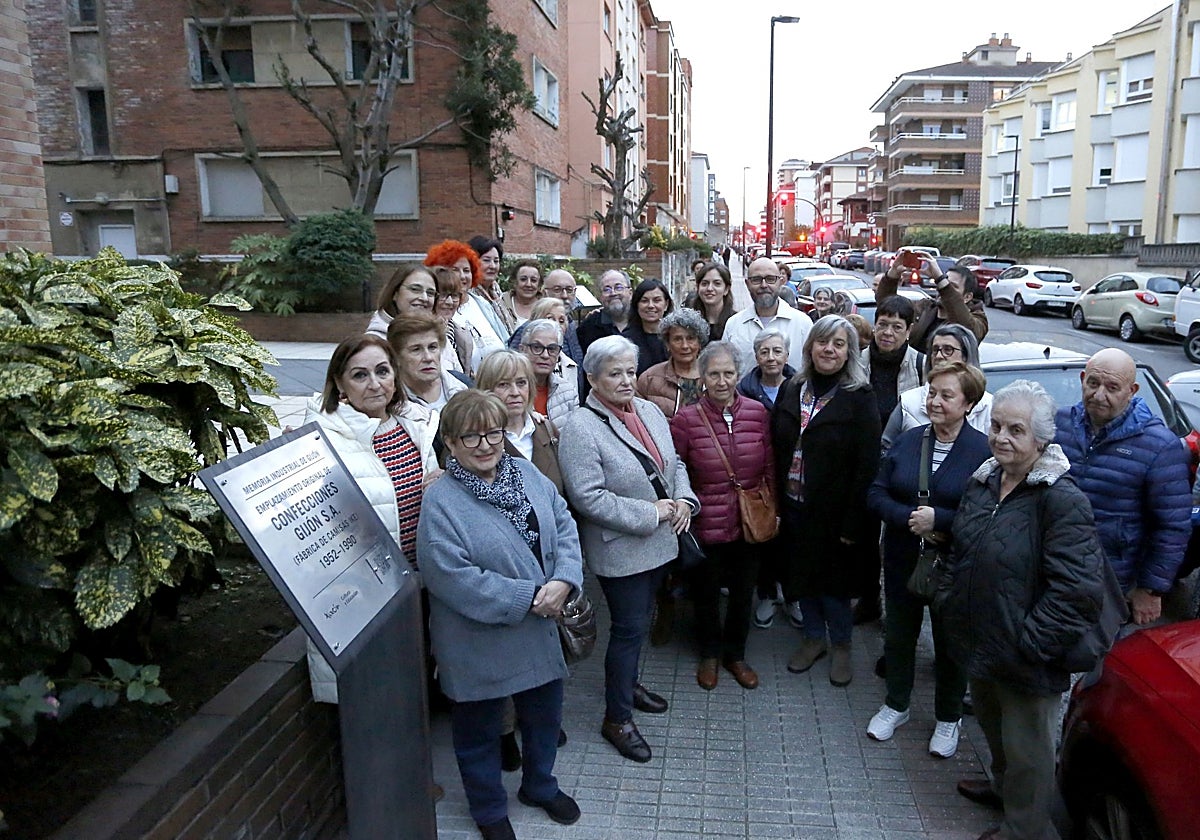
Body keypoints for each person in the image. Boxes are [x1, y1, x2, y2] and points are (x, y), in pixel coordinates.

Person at [941, 380, 1105, 840]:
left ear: (1040, 440)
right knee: (996, 732)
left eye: (1015, 430)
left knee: (1029, 751)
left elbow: (1078, 590)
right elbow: (961, 548)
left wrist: (1031, 643)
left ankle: (1025, 828)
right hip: (982, 639)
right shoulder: (985, 480)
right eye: (995, 426)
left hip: (1026, 653)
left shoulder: (1060, 498)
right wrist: (952, 600)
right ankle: (1002, 789)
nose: (1001, 438)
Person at [417, 390, 584, 840]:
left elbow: (564, 522)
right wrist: (530, 597)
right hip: (478, 640)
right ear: (449, 443)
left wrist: (566, 578)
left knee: (544, 720)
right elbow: (450, 576)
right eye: (470, 437)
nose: (485, 444)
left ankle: (539, 785)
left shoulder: (526, 473)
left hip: (540, 628)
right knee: (478, 734)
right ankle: (489, 810)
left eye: (493, 432)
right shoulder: (441, 502)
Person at [559, 336, 698, 764]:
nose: (625, 380)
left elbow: (674, 464)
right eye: (614, 373)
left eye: (629, 371)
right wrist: (652, 512)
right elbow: (589, 498)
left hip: (661, 543)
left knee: (640, 624)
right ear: (592, 378)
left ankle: (629, 684)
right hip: (622, 550)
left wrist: (685, 501)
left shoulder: (650, 410)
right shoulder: (580, 428)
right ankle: (616, 718)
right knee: (627, 631)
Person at [304, 335, 441, 703]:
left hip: (419, 580)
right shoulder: (322, 439)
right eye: (360, 375)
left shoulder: (415, 423)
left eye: (382, 371)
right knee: (379, 697)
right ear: (339, 384)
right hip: (369, 597)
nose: (375, 383)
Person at [865, 362, 991, 759]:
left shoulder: (984, 450)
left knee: (951, 644)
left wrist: (942, 520)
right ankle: (896, 705)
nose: (935, 401)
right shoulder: (909, 440)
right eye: (931, 393)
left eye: (946, 395)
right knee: (900, 637)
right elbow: (876, 493)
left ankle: (948, 717)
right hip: (904, 558)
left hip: (954, 565)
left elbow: (991, 511)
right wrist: (906, 518)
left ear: (968, 403)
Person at [773, 316, 882, 687]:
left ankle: (842, 646)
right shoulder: (793, 388)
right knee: (801, 577)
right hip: (793, 504)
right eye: (823, 342)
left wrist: (855, 522)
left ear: (849, 352)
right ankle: (813, 639)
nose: (829, 350)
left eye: (838, 344)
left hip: (835, 513)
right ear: (810, 347)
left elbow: (868, 464)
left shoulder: (860, 397)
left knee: (834, 584)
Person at [1054, 347, 1192, 626]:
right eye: (1093, 383)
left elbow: (1172, 526)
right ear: (1082, 379)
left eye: (1112, 387)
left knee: (1095, 658)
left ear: (1132, 390)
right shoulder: (1059, 425)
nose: (1099, 394)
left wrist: (1151, 589)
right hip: (1053, 567)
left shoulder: (1159, 446)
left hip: (1112, 580)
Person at [671, 342, 773, 691]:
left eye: (728, 373)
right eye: (714, 373)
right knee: (707, 593)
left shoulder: (758, 412)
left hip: (749, 520)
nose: (721, 381)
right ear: (702, 376)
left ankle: (736, 654)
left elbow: (770, 464)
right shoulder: (686, 419)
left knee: (745, 593)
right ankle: (710, 654)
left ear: (738, 374)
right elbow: (677, 468)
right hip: (707, 522)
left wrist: (771, 509)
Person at [738, 328, 802, 631]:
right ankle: (766, 594)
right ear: (756, 356)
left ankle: (792, 595)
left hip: (795, 475)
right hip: (758, 476)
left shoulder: (802, 387)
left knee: (792, 538)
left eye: (777, 351)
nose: (771, 357)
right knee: (762, 535)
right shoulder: (745, 389)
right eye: (765, 351)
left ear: (787, 355)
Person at [881, 324, 993, 452]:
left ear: (966, 356)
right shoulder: (908, 402)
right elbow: (886, 449)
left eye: (948, 350)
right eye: (935, 350)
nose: (939, 356)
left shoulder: (989, 407)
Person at [476, 350, 563, 495]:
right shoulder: (473, 440)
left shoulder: (547, 430)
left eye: (521, 383)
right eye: (503, 384)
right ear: (486, 389)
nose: (515, 392)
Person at [875, 252, 988, 353]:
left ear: (967, 297)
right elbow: (888, 305)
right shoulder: (924, 308)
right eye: (943, 283)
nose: (942, 288)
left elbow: (966, 328)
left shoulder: (978, 319)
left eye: (951, 286)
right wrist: (893, 273)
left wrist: (940, 279)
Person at [724, 257, 813, 376]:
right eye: (756, 280)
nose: (764, 285)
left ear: (781, 282)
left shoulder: (803, 324)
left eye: (770, 279)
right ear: (747, 284)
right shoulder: (733, 325)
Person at [426, 239, 505, 370]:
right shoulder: (438, 310)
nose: (462, 276)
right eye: (455, 270)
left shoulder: (482, 303)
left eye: (467, 270)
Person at [636, 308, 709, 419]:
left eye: (691, 338)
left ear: (699, 343)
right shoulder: (649, 379)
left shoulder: (714, 376)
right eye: (677, 339)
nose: (685, 346)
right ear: (667, 344)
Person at [388, 313, 468, 411]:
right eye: (416, 349)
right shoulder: (390, 402)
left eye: (432, 347)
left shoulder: (463, 384)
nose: (428, 357)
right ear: (396, 356)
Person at [864, 295, 922, 428]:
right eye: (883, 324)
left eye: (897, 327)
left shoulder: (921, 365)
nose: (888, 332)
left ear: (908, 331)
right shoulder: (856, 361)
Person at [517, 317, 579, 426]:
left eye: (552, 349)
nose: (545, 355)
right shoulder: (508, 391)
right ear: (522, 349)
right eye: (537, 347)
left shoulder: (568, 391)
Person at [366, 264, 437, 338]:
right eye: (415, 289)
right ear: (395, 293)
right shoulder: (376, 342)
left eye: (430, 293)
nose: (424, 298)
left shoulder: (438, 334)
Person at [577, 269, 634, 358]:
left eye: (618, 287)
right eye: (606, 289)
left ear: (630, 293)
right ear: (600, 297)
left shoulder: (642, 322)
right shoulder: (589, 327)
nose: (613, 293)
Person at [468, 235, 516, 337]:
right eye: (486, 260)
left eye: (496, 261)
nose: (492, 266)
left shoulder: (497, 292)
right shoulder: (468, 294)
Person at [431, 265, 473, 375]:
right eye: (444, 295)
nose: (450, 302)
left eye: (454, 296)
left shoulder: (461, 333)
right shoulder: (425, 333)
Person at [626, 279, 673, 375]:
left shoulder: (676, 338)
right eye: (644, 301)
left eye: (657, 300)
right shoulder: (626, 341)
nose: (651, 306)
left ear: (666, 304)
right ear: (636, 305)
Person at [686, 261, 735, 341]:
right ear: (698, 287)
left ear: (726, 289)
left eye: (717, 284)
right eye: (704, 284)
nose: (709, 288)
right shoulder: (688, 322)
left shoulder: (736, 322)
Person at [501, 260, 542, 328]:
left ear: (539, 284)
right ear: (514, 282)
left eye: (533, 280)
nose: (528, 284)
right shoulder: (501, 304)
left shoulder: (547, 307)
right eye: (523, 279)